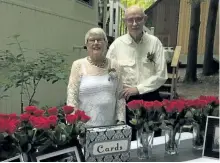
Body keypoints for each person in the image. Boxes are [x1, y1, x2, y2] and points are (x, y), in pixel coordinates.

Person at [106, 5, 168, 139]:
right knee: (129, 138)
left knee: (153, 138)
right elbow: (109, 72)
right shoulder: (117, 45)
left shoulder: (154, 43)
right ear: (125, 21)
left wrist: (138, 89)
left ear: (145, 19)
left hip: (151, 97)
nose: (134, 23)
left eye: (138, 19)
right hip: (127, 99)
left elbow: (161, 74)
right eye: (130, 20)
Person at [66, 27, 125, 127]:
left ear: (106, 44)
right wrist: (72, 123)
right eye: (92, 40)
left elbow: (120, 96)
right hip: (83, 127)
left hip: (109, 125)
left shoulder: (115, 65)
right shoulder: (78, 65)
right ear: (86, 44)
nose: (96, 43)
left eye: (100, 39)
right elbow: (72, 96)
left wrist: (121, 120)